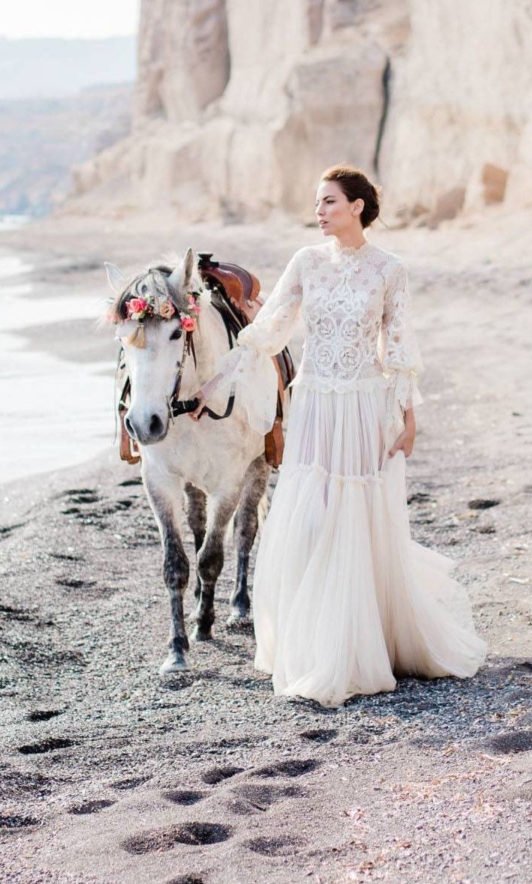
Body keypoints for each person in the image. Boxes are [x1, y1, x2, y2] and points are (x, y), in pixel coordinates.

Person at [190, 164, 487, 707]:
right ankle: (313, 643)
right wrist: (217, 380)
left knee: (356, 518)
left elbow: (397, 350)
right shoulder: (306, 262)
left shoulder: (389, 270)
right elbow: (270, 327)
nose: (319, 211)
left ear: (356, 206)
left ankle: (360, 644)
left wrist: (408, 419)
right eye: (317, 202)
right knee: (309, 516)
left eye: (328, 201)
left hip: (362, 407)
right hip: (315, 405)